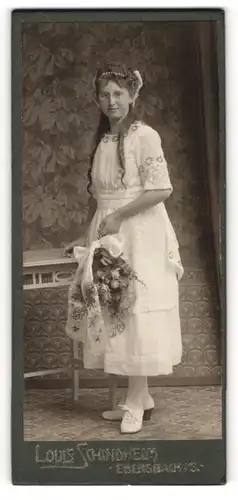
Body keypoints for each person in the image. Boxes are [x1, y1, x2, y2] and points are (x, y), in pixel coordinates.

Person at [64, 62, 184, 434]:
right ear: (97, 99)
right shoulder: (105, 140)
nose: (111, 100)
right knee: (113, 310)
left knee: (135, 310)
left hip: (141, 233)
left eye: (118, 93)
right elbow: (101, 197)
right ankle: (141, 398)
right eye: (105, 94)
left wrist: (118, 218)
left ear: (132, 96)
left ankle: (135, 400)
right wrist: (88, 234)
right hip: (109, 231)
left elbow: (162, 189)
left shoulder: (144, 135)